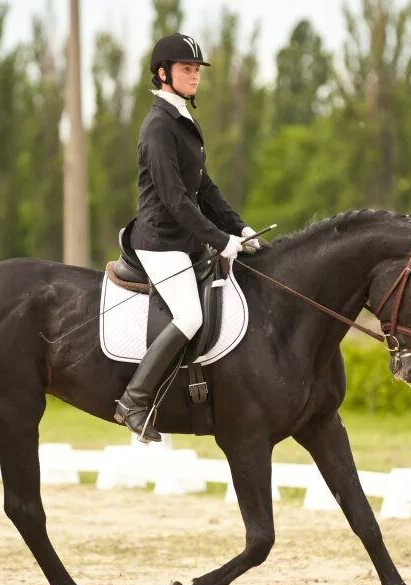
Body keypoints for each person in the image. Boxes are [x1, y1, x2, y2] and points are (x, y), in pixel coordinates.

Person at [114, 32, 262, 442]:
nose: (194, 75)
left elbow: (206, 188)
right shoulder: (158, 127)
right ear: (163, 74)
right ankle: (134, 401)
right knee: (190, 316)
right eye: (186, 69)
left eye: (196, 69)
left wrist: (241, 228)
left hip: (186, 240)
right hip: (161, 241)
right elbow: (177, 201)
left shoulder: (182, 119)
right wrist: (220, 240)